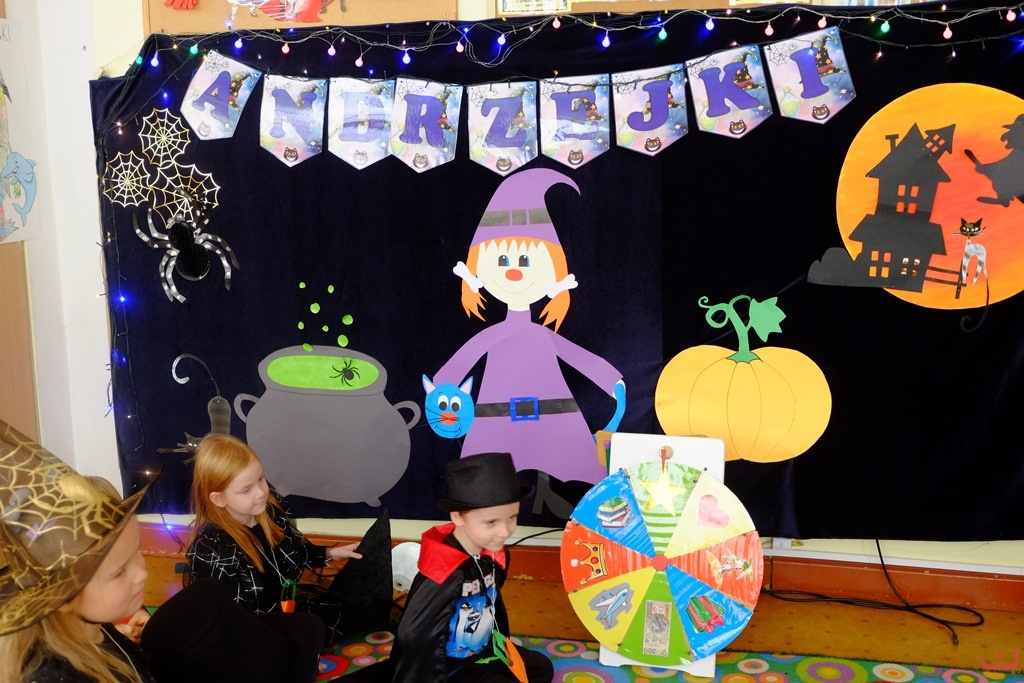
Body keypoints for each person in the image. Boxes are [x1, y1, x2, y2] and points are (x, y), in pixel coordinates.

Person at [0, 419, 324, 683]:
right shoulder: (57, 675)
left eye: (137, 554)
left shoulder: (99, 631)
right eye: (119, 572)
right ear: (63, 597)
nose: (142, 573)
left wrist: (123, 634)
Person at [388, 452, 554, 682]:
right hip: (448, 667)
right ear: (458, 517)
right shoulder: (444, 572)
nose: (505, 531)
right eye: (491, 522)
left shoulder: (493, 554)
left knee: (542, 668)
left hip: (483, 651)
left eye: (512, 517)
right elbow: (415, 637)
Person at [185, 433, 364, 643]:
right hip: (253, 631)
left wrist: (332, 553)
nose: (261, 492)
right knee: (309, 636)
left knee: (354, 614)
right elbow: (228, 620)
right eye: (246, 490)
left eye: (261, 479)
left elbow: (295, 551)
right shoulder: (213, 549)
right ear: (219, 499)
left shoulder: (269, 511)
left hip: (287, 607)